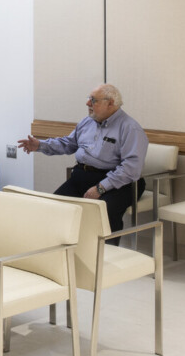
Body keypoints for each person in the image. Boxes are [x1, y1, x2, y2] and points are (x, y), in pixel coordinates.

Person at [18, 83, 148, 241]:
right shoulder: (87, 122)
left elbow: (130, 169)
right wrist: (40, 145)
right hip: (83, 177)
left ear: (110, 103)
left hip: (119, 183)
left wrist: (100, 188)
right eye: (89, 99)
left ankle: (107, 256)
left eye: (93, 100)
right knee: (54, 208)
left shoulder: (130, 128)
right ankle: (63, 251)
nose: (88, 103)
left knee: (104, 213)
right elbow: (68, 144)